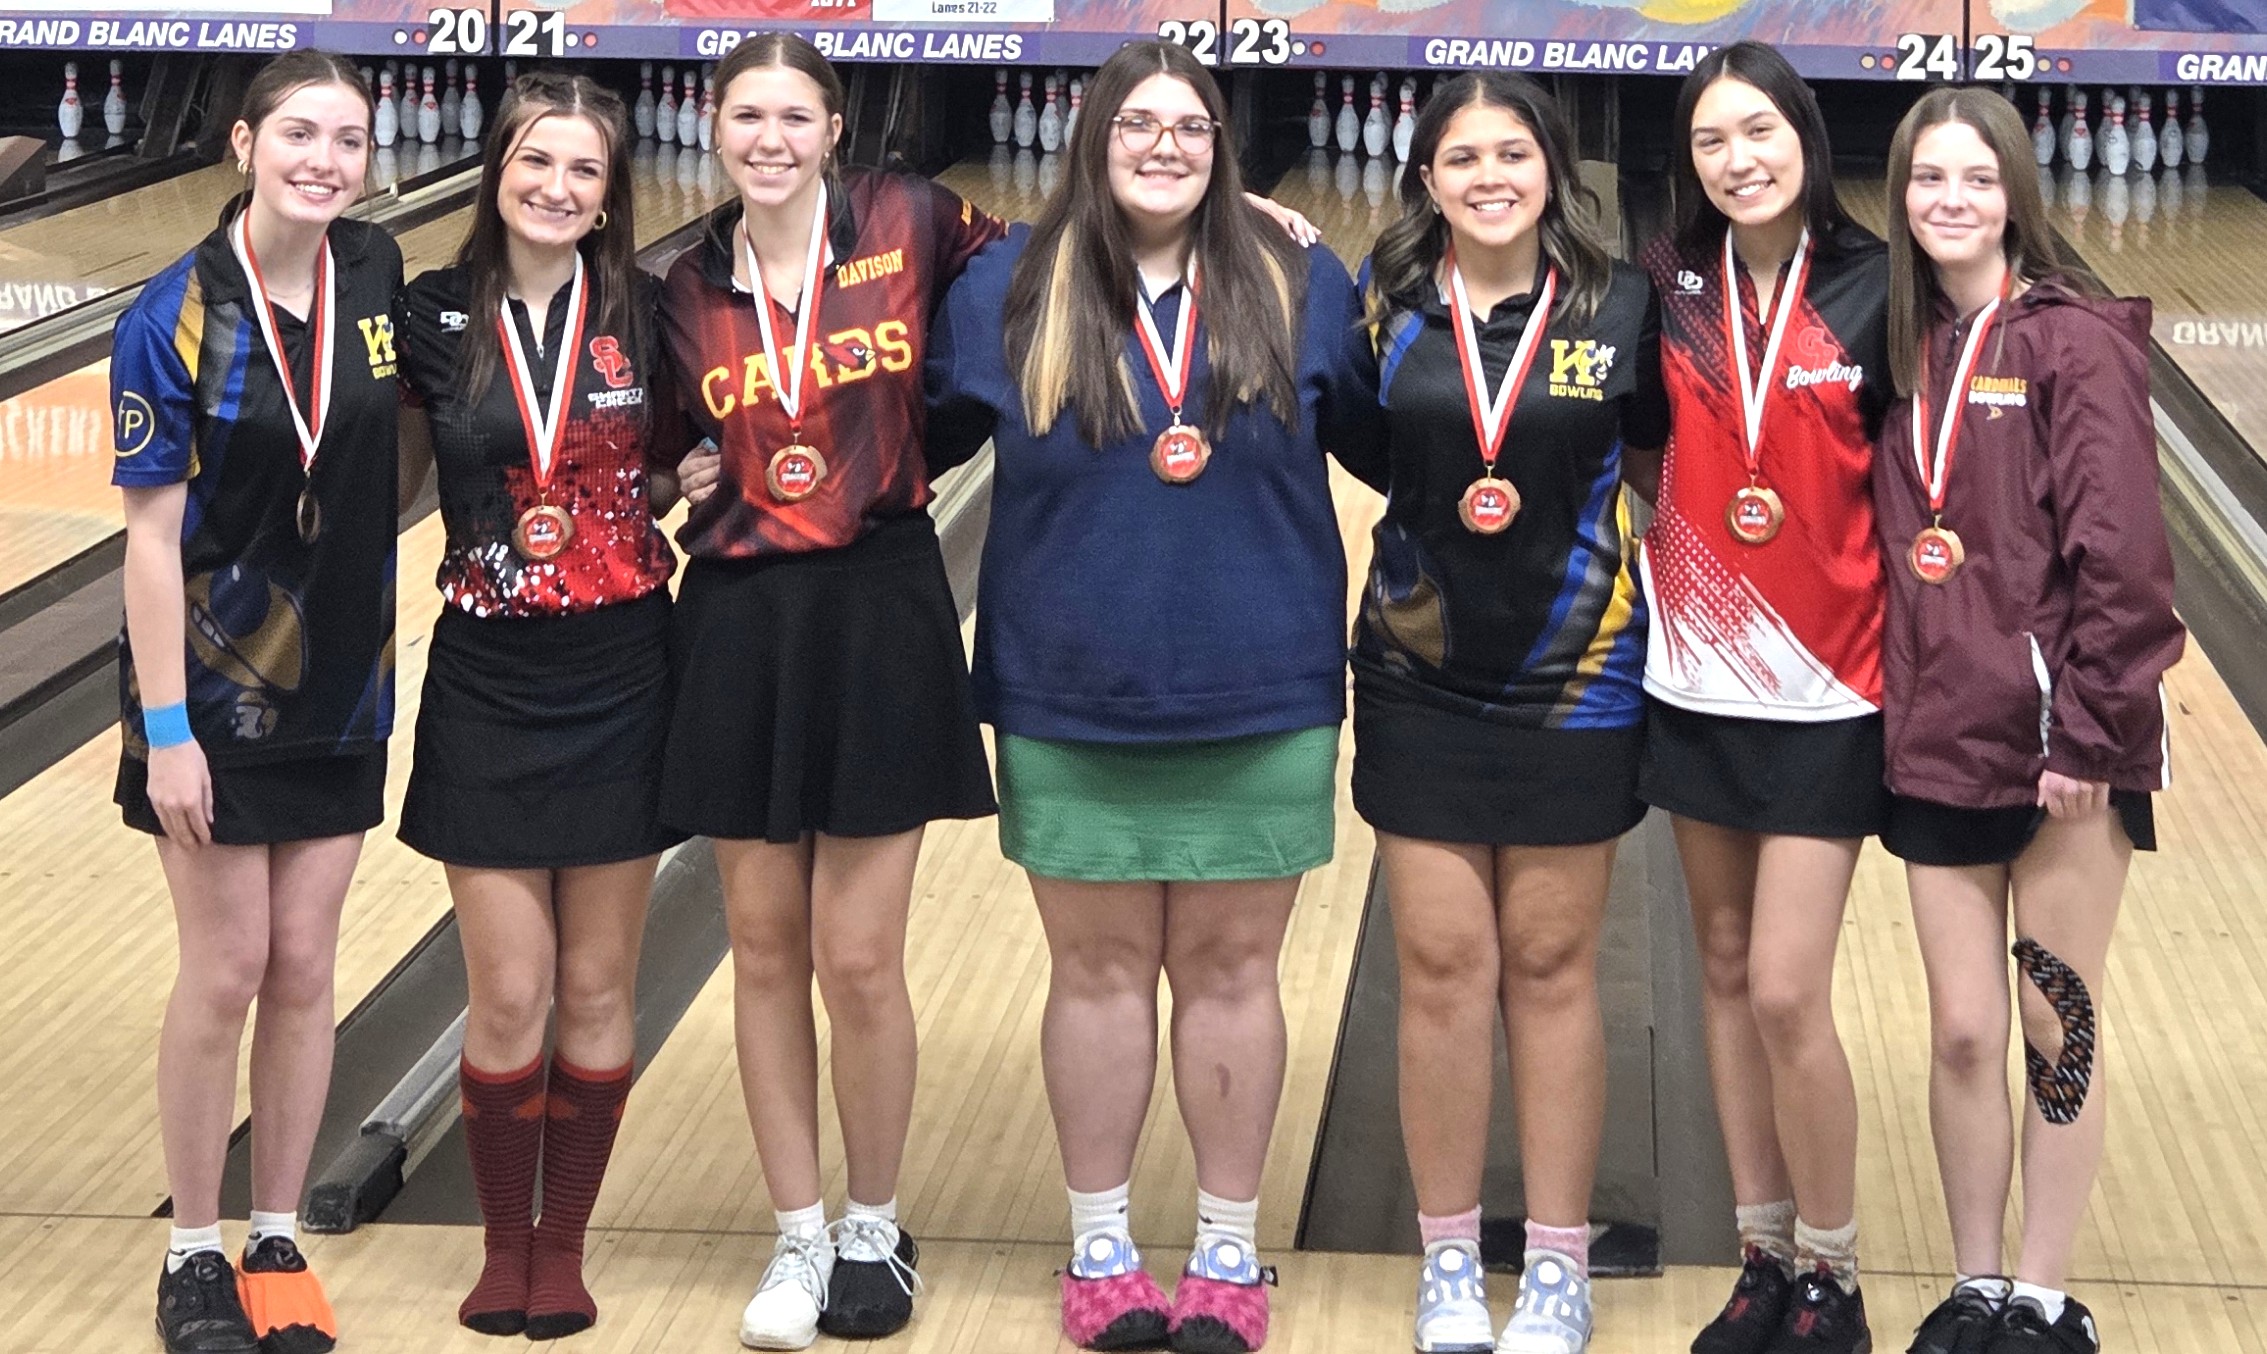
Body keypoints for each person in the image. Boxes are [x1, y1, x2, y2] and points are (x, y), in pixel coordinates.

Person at [923, 40, 1377, 1354]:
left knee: (1236, 969)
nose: (1164, 144)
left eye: (1189, 125)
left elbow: (1404, 432)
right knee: (1098, 971)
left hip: (1259, 677)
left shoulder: (1300, 275)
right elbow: (893, 439)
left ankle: (1228, 1253)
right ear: (1091, 139)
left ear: (1222, 143)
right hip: (1070, 684)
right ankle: (1103, 1245)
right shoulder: (1007, 285)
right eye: (1138, 124)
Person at [656, 33, 1003, 1350]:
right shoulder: (679, 283)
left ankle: (872, 1221)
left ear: (834, 128)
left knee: (857, 954)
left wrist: (958, 400)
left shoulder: (910, 220)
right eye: (745, 115)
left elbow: (1029, 263)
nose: (769, 138)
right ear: (713, 129)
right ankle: (796, 1229)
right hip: (741, 617)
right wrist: (663, 480)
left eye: (793, 115)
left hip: (877, 600)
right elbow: (644, 450)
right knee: (761, 948)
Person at [1350, 70, 1667, 1354]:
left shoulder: (1622, 306)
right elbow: (1365, 450)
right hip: (1418, 675)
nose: (1488, 176)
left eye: (1511, 154)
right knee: (1439, 972)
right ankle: (1442, 1258)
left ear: (1551, 171)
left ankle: (1551, 1262)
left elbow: (1660, 461)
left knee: (1546, 969)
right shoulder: (1381, 310)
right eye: (1461, 158)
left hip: (1576, 677)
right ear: (1425, 179)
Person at [1876, 89, 2182, 1354]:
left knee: (2059, 1017)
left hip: (2063, 758)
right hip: (1934, 742)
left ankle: (2047, 1299)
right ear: (1896, 197)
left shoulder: (2070, 344)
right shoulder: (1897, 346)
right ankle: (1977, 1283)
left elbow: (2124, 559)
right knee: (1959, 1029)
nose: (1950, 199)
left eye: (1975, 177)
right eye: (1925, 179)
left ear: (2014, 192)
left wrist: (2091, 741)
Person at [392, 72, 692, 1341]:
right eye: (536, 163)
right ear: (496, 170)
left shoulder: (652, 309)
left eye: (585, 171)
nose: (558, 189)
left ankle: (558, 1249)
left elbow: (696, 449)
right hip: (487, 673)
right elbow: (389, 471)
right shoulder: (427, 315)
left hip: (625, 668)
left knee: (596, 985)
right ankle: (499, 1242)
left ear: (611, 194)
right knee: (508, 993)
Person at [110, 50, 398, 1354]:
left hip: (343, 680)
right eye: (298, 134)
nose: (323, 160)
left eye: (347, 139)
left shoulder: (378, 275)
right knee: (225, 966)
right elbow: (150, 544)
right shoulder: (169, 313)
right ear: (240, 143)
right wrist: (166, 734)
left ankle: (276, 1234)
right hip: (212, 698)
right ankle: (190, 1251)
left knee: (303, 969)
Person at [1636, 41, 1892, 1354]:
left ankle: (1834, 1275)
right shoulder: (1665, 287)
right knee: (1725, 975)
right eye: (1708, 143)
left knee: (1788, 988)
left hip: (1834, 688)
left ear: (1802, 134)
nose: (1737, 161)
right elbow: (1631, 443)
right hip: (1695, 685)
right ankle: (1763, 1256)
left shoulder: (1871, 286)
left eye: (1757, 132)